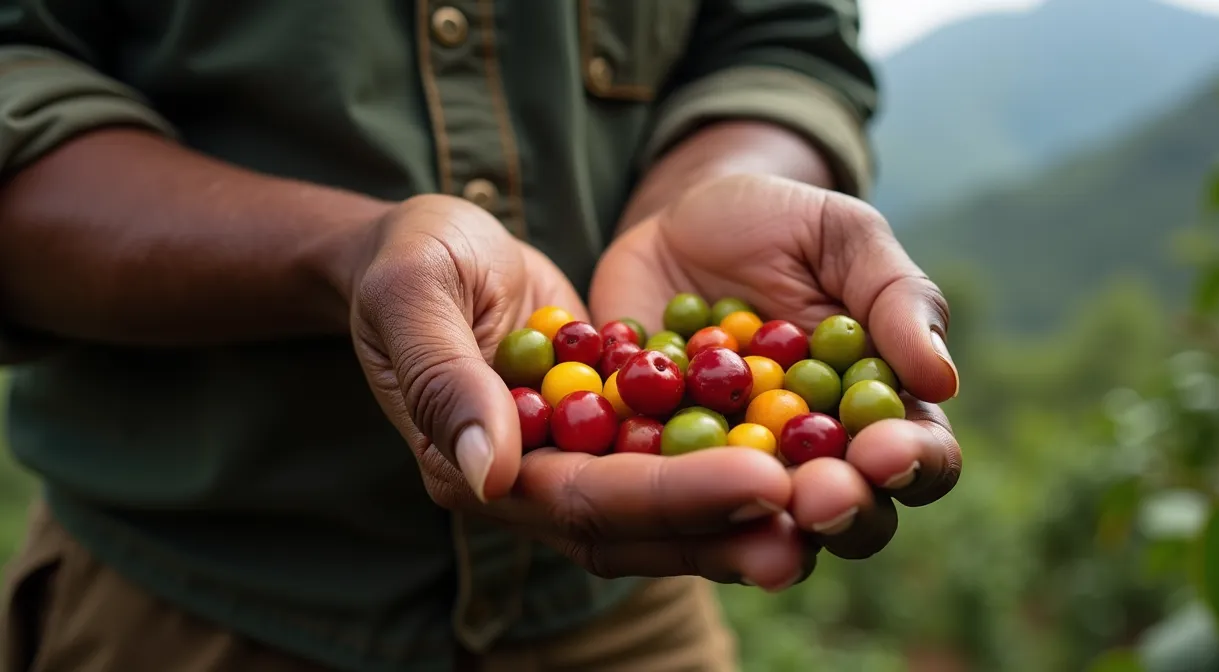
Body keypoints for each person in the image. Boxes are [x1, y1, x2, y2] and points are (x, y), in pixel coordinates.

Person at [0, 1, 963, 670]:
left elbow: (781, 42)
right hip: (180, 605)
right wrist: (344, 253)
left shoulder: (691, 376)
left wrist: (699, 191)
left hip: (629, 628)